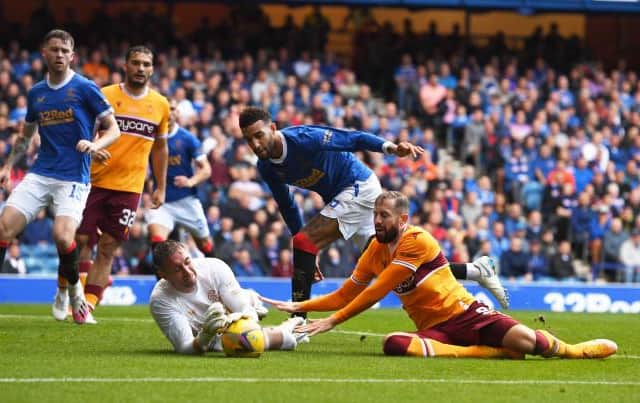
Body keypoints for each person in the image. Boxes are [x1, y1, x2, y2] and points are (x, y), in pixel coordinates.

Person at [263, 191, 617, 360]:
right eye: (375, 214)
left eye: (384, 215)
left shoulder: (417, 241)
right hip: (435, 329)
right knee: (394, 344)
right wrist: (300, 307)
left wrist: (332, 322)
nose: (377, 221)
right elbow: (345, 293)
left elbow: (376, 292)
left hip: (466, 313)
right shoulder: (373, 250)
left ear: (402, 220)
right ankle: (486, 353)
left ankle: (570, 351)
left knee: (528, 343)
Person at [238, 107, 509, 317]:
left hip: (357, 186)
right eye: (249, 139)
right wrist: (306, 255)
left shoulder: (303, 138)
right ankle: (475, 271)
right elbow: (287, 204)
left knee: (305, 241)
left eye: (259, 135)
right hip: (344, 196)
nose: (256, 144)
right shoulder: (266, 167)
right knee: (392, 268)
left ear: (273, 128)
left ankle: (297, 322)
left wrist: (390, 148)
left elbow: (351, 138)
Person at [0, 30, 120, 324]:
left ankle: (72, 294)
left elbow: (114, 129)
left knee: (63, 236)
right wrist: (7, 165)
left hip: (73, 177)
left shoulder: (85, 88)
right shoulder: (37, 92)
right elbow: (26, 135)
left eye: (64, 50)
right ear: (45, 53)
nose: (59, 55)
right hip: (41, 172)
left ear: (72, 56)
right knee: (3, 229)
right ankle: (73, 292)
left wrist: (95, 145)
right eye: (54, 49)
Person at [67, 45, 169, 322]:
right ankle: (74, 295)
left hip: (130, 187)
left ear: (152, 68)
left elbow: (160, 149)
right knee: (81, 239)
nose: (141, 68)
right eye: (136, 63)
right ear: (126, 65)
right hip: (94, 180)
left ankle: (87, 304)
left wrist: (160, 186)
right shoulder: (106, 94)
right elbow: (86, 130)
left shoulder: (160, 104)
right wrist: (95, 146)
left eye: (146, 64)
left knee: (109, 246)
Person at [150, 240, 307, 355]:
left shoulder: (214, 268)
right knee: (225, 343)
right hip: (209, 334)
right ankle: (286, 334)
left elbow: (247, 313)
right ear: (163, 275)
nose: (187, 271)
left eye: (187, 262)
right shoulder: (161, 300)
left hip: (230, 309)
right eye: (177, 269)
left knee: (237, 333)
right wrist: (205, 335)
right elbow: (184, 347)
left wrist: (244, 316)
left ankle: (251, 299)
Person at [146, 99, 214, 256]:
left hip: (187, 201)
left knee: (204, 245)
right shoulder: (150, 138)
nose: (169, 112)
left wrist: (190, 181)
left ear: (177, 112)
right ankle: (163, 280)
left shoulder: (187, 138)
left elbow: (206, 169)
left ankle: (218, 273)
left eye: (173, 108)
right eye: (165, 108)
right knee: (157, 242)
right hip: (162, 203)